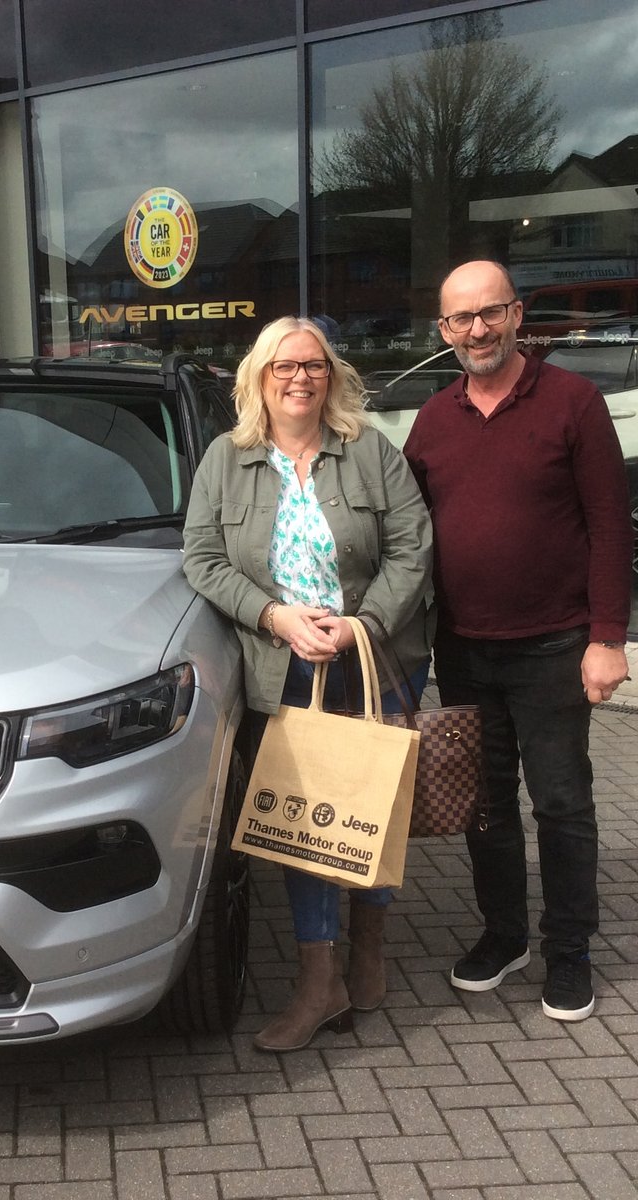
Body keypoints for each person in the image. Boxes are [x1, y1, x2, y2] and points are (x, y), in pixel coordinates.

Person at [183, 316, 433, 1052]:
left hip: (374, 658)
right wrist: (275, 618)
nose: (300, 378)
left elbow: (412, 547)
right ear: (260, 378)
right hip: (281, 664)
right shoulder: (226, 460)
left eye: (314, 365)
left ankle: (369, 953)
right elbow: (201, 557)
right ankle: (319, 981)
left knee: (372, 811)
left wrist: (366, 625)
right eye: (284, 366)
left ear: (332, 374)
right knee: (306, 823)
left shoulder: (369, 452)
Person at [403, 260, 631, 1022]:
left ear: (516, 314)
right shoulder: (433, 419)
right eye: (460, 319)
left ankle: (570, 950)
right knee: (486, 807)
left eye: (489, 312)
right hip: (463, 650)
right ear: (443, 331)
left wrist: (607, 637)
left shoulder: (573, 402)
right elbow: (406, 534)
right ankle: (505, 936)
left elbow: (609, 528)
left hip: (554, 647)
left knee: (562, 804)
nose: (476, 329)